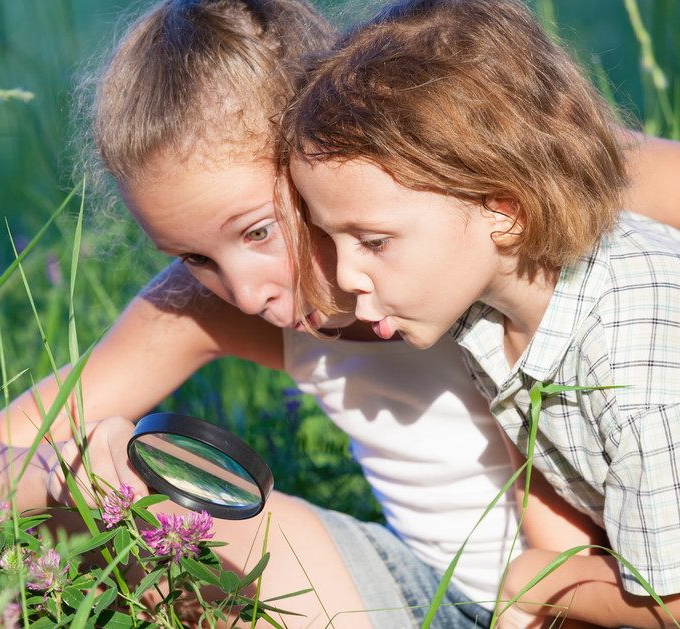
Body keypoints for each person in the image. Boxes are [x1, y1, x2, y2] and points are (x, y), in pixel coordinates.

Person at [0, 0, 680, 626]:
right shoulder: (210, 309)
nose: (245, 293)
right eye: (193, 256)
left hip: (617, 588)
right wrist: (73, 469)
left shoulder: (476, 182)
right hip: (425, 591)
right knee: (148, 517)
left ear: (321, 150)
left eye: (258, 230)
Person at [281, 0, 680, 626]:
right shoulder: (490, 308)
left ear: (504, 211)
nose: (346, 274)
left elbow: (674, 604)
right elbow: (546, 464)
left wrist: (541, 585)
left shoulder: (635, 362)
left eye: (374, 241)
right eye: (333, 240)